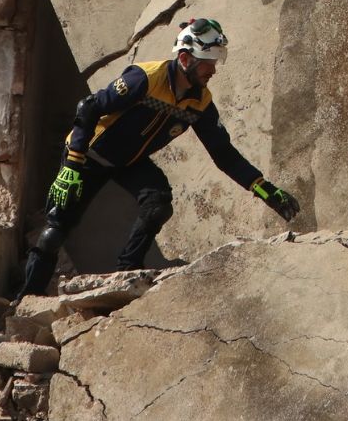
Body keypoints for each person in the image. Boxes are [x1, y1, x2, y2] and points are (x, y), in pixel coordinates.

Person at [16, 17, 299, 299]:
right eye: (207, 62)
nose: (213, 70)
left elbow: (224, 155)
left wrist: (265, 190)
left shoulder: (200, 102)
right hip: (88, 154)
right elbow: (89, 108)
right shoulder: (146, 78)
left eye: (215, 62)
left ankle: (127, 271)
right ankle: (27, 300)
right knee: (56, 228)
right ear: (186, 59)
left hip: (129, 162)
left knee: (158, 203)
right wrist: (73, 165)